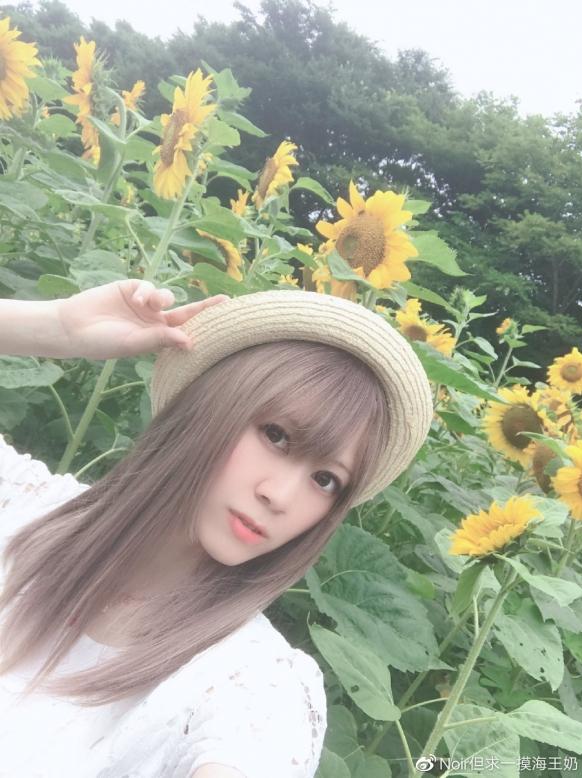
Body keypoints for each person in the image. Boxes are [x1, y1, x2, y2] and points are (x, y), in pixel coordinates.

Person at [0, 279, 433, 778]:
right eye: (277, 436)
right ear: (213, 405)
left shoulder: (251, 686)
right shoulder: (23, 507)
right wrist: (57, 328)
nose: (280, 496)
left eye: (325, 480)